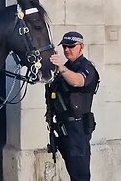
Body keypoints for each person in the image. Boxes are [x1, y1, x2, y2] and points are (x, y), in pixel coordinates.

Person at [47, 31, 99, 181]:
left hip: (77, 130)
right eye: (64, 47)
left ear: (81, 47)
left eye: (71, 46)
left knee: (80, 176)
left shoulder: (86, 68)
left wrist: (61, 68)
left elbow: (78, 81)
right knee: (73, 173)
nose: (67, 50)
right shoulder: (65, 68)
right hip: (63, 129)